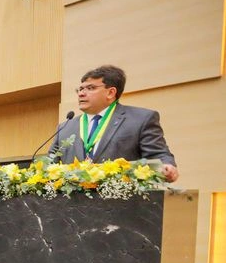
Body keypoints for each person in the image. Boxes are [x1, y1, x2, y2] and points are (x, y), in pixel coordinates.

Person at [50, 65, 179, 182]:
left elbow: (158, 155)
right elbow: (50, 165)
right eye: (80, 89)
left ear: (111, 92)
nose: (81, 93)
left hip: (123, 203)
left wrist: (167, 166)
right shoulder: (65, 127)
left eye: (90, 88)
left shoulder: (140, 119)